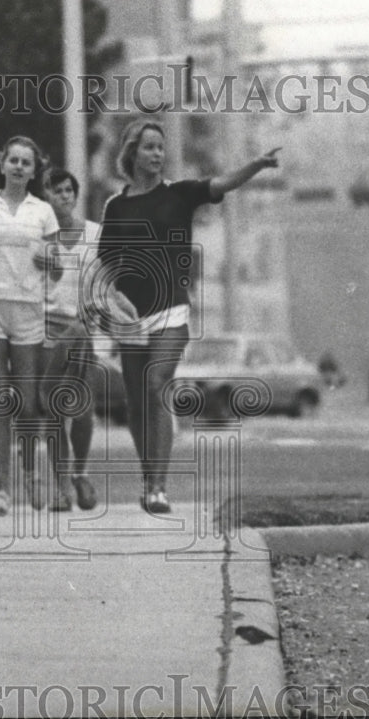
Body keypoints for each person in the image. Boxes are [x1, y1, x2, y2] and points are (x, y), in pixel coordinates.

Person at [96, 118, 280, 514]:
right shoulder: (117, 205)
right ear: (132, 153)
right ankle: (149, 478)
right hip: (131, 314)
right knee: (136, 403)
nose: (157, 153)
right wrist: (110, 302)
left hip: (171, 308)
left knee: (157, 383)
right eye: (149, 147)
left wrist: (255, 165)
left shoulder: (180, 195)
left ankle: (159, 487)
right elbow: (106, 265)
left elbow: (221, 184)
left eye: (161, 147)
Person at [0, 136, 62, 516]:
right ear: (2, 164)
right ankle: (2, 491)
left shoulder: (42, 211)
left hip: (28, 309)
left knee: (26, 402)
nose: (20, 167)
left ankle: (30, 474)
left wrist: (47, 262)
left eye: (27, 162)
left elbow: (57, 268)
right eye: (14, 160)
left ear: (34, 170)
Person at [39, 168, 100, 511]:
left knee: (84, 409)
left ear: (75, 196)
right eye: (56, 190)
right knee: (52, 410)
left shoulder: (95, 235)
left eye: (68, 190)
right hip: (47, 330)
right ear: (45, 196)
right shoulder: (40, 238)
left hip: (83, 329)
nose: (63, 196)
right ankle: (61, 485)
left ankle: (81, 472)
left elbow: (105, 285)